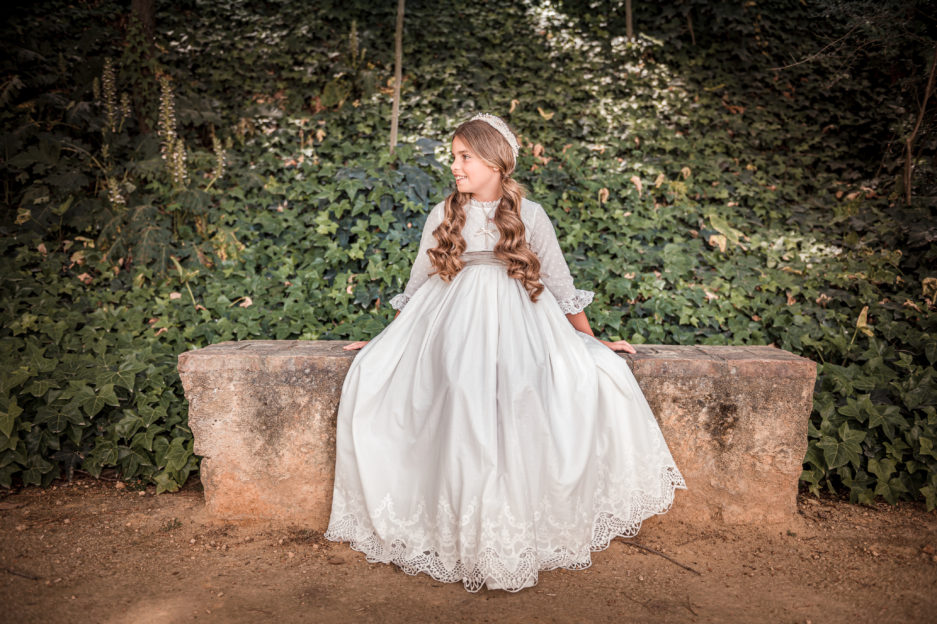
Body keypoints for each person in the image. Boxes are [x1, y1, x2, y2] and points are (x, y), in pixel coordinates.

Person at [323, 113, 687, 593]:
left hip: (520, 319)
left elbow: (558, 283)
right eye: (453, 157)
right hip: (450, 318)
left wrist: (592, 339)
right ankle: (457, 527)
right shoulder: (443, 213)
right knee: (448, 382)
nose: (455, 166)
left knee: (544, 381)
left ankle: (513, 526)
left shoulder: (529, 215)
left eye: (465, 157)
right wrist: (389, 337)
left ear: (495, 161)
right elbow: (418, 284)